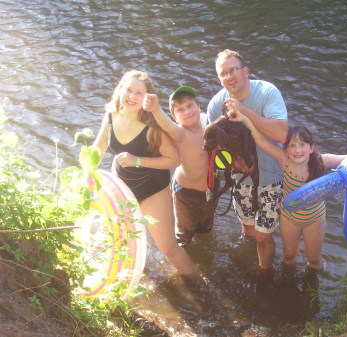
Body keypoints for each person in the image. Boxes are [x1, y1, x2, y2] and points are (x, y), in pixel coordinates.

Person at [226, 103, 347, 275]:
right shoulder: (284, 160)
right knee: (288, 257)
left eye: (302, 145)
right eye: (292, 145)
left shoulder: (322, 161)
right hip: (289, 217)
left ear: (311, 148)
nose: (297, 150)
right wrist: (244, 118)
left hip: (315, 218)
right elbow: (259, 139)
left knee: (314, 260)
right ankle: (288, 287)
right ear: (286, 149)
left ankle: (312, 287)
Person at [93, 70, 195, 276]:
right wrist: (88, 171)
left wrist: (137, 160)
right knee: (119, 243)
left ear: (147, 99)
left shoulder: (150, 126)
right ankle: (121, 287)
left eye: (138, 93)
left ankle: (197, 285)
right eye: (128, 90)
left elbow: (174, 159)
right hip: (122, 189)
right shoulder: (111, 115)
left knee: (169, 248)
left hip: (152, 189)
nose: (131, 97)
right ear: (120, 90)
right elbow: (99, 147)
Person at [207, 49, 288, 272]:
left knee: (263, 236)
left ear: (245, 71)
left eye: (233, 70)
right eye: (223, 74)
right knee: (249, 232)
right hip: (241, 179)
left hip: (272, 177)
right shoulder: (216, 105)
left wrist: (243, 111)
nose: (229, 77)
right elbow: (214, 148)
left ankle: (265, 274)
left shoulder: (267, 92)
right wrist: (231, 161)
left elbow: (282, 134)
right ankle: (249, 262)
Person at [143, 86, 217, 246]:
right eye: (180, 110)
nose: (187, 111)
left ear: (199, 106)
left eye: (190, 105)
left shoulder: (208, 121)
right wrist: (156, 110)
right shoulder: (181, 134)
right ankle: (181, 263)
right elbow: (167, 125)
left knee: (205, 229)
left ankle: (204, 253)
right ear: (175, 118)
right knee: (184, 234)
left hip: (211, 190)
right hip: (187, 193)